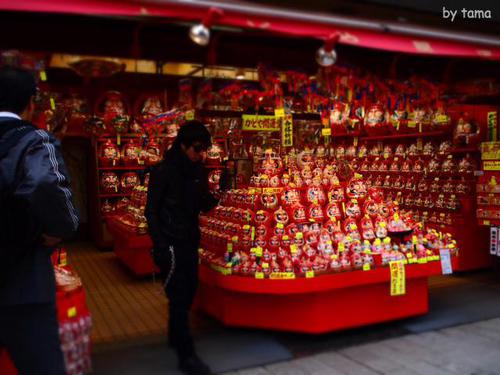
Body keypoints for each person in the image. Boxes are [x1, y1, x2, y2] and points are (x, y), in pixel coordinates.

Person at [0, 67, 79, 374]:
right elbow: (48, 184)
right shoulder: (33, 140)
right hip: (23, 281)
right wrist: (60, 230)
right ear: (30, 103)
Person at [146, 120, 218, 375]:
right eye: (198, 148)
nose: (202, 154)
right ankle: (187, 356)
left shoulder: (198, 170)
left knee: (189, 291)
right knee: (178, 297)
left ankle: (175, 335)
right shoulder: (163, 171)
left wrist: (222, 193)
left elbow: (203, 203)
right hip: (170, 243)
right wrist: (160, 244)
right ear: (183, 145)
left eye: (205, 149)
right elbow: (151, 211)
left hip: (190, 240)